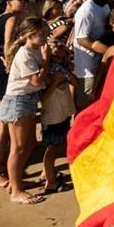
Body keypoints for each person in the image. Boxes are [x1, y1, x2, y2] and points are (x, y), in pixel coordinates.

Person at [0, 17, 51, 204]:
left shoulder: (36, 50)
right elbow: (36, 81)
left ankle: (16, 181)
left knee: (29, 144)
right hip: (18, 100)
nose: (46, 37)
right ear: (29, 36)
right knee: (18, 147)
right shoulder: (25, 54)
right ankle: (16, 191)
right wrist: (46, 61)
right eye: (42, 34)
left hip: (28, 99)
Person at [0, 0, 29, 188]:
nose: (24, 3)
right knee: (3, 127)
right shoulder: (11, 19)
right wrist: (11, 67)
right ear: (8, 2)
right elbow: (8, 45)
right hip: (5, 74)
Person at [72, 0, 114, 110]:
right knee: (85, 107)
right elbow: (82, 39)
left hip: (99, 64)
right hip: (87, 68)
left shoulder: (104, 5)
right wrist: (107, 51)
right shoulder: (86, 10)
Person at [40, 40, 75, 194]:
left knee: (56, 145)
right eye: (55, 57)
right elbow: (43, 99)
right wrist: (55, 81)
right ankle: (50, 182)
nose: (58, 61)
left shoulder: (61, 69)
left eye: (61, 57)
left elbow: (75, 82)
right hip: (52, 115)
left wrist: (65, 71)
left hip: (61, 112)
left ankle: (47, 173)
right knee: (52, 147)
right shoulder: (45, 72)